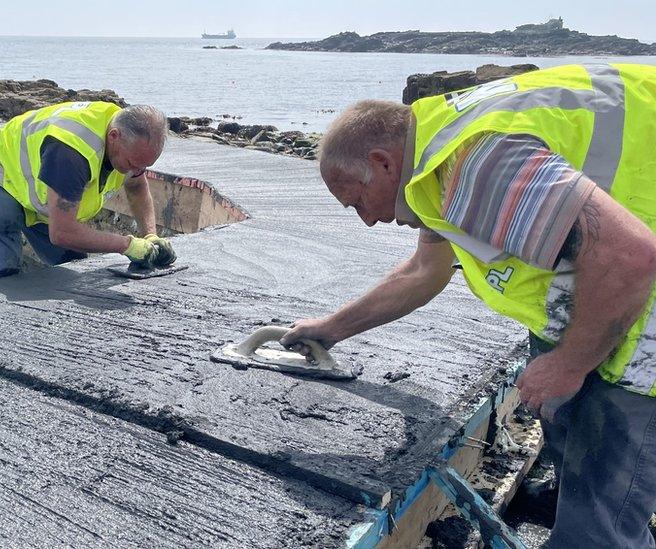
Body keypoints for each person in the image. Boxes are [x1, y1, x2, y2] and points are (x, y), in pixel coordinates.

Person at [281, 64, 656, 548]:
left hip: (640, 310)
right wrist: (330, 329)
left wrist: (570, 362)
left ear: (383, 162)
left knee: (602, 513)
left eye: (359, 202)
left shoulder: (476, 166)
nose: (369, 220)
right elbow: (425, 272)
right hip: (604, 281)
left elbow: (630, 256)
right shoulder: (439, 153)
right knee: (565, 406)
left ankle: (597, 527)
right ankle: (569, 497)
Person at [0, 101, 175, 287]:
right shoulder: (70, 154)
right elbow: (62, 233)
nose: (136, 172)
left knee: (71, 262)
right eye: (132, 163)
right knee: (1, 266)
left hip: (34, 187)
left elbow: (136, 187)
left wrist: (150, 235)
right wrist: (127, 245)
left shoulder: (125, 133)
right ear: (114, 136)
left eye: (143, 167)